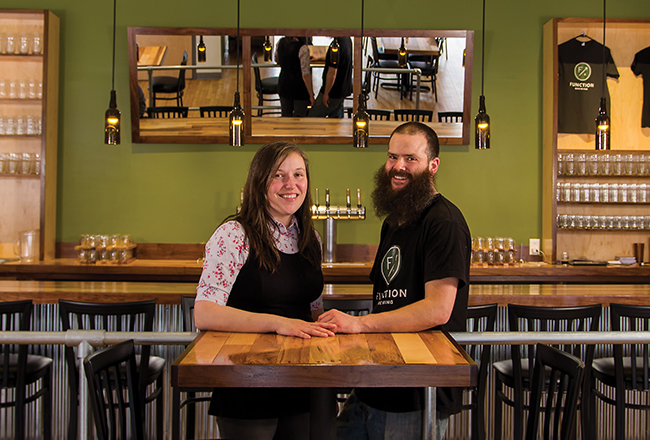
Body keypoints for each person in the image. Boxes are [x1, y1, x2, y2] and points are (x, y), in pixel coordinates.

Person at [318, 122, 471, 440]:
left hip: (416, 391)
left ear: (433, 165)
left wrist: (359, 325)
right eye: (392, 156)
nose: (398, 166)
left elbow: (437, 310)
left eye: (410, 158)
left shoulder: (444, 223)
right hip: (376, 381)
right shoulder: (394, 222)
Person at [194, 141, 336, 440]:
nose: (290, 184)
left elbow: (312, 309)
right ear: (259, 182)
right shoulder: (233, 235)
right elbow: (205, 313)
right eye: (278, 175)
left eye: (299, 175)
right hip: (248, 381)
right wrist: (276, 323)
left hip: (303, 380)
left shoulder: (310, 239)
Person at [309, 37, 353, 118]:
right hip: (342, 88)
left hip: (333, 91)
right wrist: (320, 58)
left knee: (313, 117)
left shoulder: (336, 46)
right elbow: (338, 59)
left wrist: (326, 93)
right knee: (335, 119)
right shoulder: (347, 40)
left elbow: (332, 73)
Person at [275, 36, 315, 117]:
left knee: (286, 116)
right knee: (299, 118)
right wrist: (311, 95)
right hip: (299, 88)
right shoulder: (303, 48)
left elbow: (276, 59)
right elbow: (305, 74)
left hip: (284, 84)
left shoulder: (280, 42)